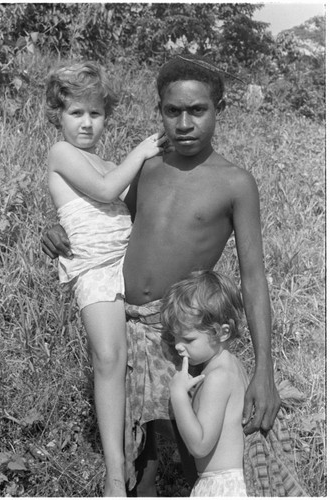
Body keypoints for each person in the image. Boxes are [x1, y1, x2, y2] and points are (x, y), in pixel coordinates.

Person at [42, 54, 281, 495]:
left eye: (198, 110)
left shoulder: (235, 182)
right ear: (160, 112)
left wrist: (264, 368)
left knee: (198, 456)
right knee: (142, 456)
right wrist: (58, 227)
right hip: (121, 317)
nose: (185, 123)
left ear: (219, 110)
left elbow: (254, 276)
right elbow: (111, 217)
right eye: (173, 111)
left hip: (178, 330)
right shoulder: (148, 165)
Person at [45, 60, 165, 497]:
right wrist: (143, 150)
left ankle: (146, 463)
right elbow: (104, 192)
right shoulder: (61, 153)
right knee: (108, 359)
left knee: (133, 363)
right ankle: (115, 477)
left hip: (127, 265)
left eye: (95, 114)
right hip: (94, 269)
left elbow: (132, 205)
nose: (86, 123)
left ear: (106, 117)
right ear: (58, 114)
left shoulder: (111, 161)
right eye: (76, 112)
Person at [160, 269, 248, 497]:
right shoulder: (231, 366)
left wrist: (178, 396)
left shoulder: (218, 377)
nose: (179, 345)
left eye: (188, 339)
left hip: (222, 486)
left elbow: (199, 446)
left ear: (222, 332)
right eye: (175, 336)